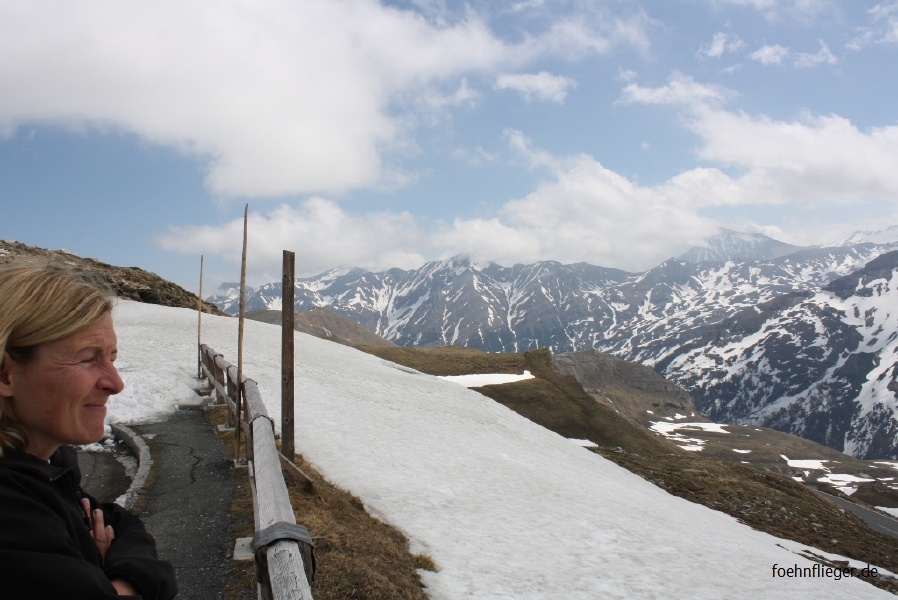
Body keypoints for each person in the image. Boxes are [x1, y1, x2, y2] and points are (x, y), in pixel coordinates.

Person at [0, 265, 177, 599]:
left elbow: (123, 524)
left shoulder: (45, 472)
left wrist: (117, 582)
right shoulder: (10, 511)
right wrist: (121, 578)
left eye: (111, 357)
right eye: (87, 359)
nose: (115, 383)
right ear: (6, 374)